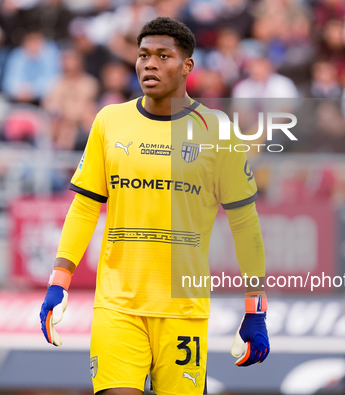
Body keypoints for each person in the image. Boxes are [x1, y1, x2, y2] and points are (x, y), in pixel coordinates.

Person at [39, 17, 270, 395]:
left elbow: (245, 224)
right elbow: (84, 208)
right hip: (117, 305)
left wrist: (255, 307)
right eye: (144, 55)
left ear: (187, 66)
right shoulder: (110, 121)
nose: (150, 64)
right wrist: (58, 281)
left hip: (183, 311)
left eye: (164, 56)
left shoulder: (218, 131)